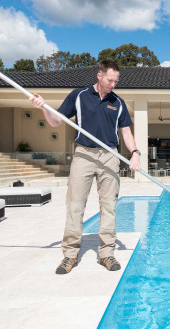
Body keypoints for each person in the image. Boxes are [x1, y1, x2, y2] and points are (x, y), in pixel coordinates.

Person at [31, 60, 141, 274]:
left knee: (108, 205)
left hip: (110, 154)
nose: (113, 84)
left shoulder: (118, 103)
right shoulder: (79, 96)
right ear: (99, 75)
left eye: (116, 81)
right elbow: (56, 121)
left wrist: (135, 153)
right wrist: (44, 107)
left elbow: (126, 132)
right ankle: (70, 255)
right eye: (110, 80)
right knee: (75, 205)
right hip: (84, 154)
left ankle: (107, 253)